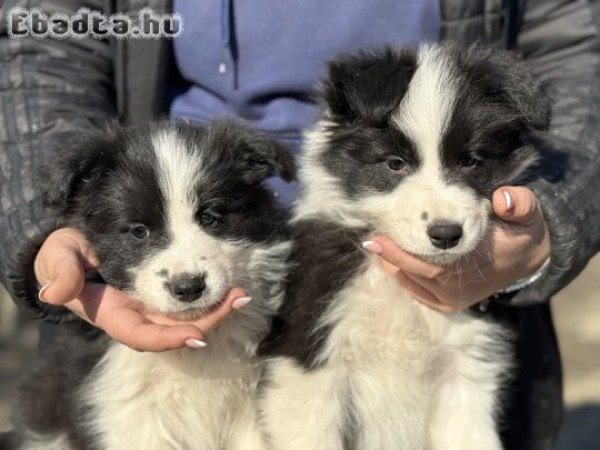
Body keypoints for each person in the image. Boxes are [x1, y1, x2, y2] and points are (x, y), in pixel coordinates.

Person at [0, 1, 599, 448]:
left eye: (471, 163)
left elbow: (579, 47)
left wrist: (557, 217)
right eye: (398, 163)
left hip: (320, 240)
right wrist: (50, 223)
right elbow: (43, 34)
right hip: (144, 239)